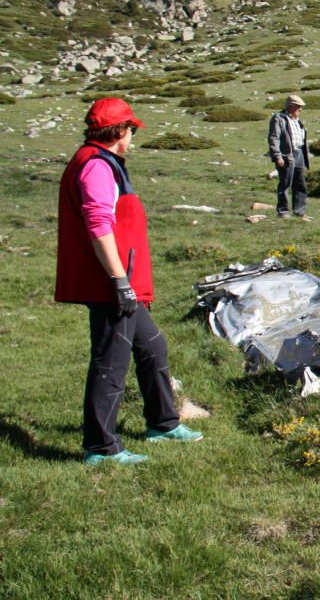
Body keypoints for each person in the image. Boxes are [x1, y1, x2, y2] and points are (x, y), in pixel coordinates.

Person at [56, 98, 203, 466]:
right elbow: (98, 225)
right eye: (131, 129)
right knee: (110, 363)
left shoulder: (103, 162)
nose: (133, 135)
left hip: (124, 283)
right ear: (119, 131)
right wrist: (120, 281)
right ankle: (101, 448)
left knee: (153, 347)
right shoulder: (96, 167)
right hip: (112, 284)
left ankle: (163, 424)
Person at [268, 94, 311, 220]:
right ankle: (283, 212)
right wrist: (277, 156)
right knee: (285, 184)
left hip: (299, 154)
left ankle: (299, 212)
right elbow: (273, 137)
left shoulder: (297, 121)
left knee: (300, 184)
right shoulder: (279, 118)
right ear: (291, 106)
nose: (300, 109)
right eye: (298, 106)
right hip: (287, 155)